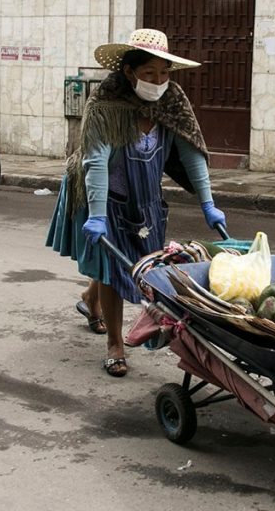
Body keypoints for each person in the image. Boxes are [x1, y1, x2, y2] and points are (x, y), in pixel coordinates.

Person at [46, 28, 227, 377]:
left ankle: (88, 299)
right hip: (101, 194)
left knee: (135, 262)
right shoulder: (105, 105)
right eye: (149, 73)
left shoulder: (173, 103)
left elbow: (192, 156)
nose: (158, 81)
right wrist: (97, 216)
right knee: (114, 271)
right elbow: (96, 163)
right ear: (129, 72)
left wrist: (208, 203)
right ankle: (115, 344)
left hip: (144, 197)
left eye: (163, 73)